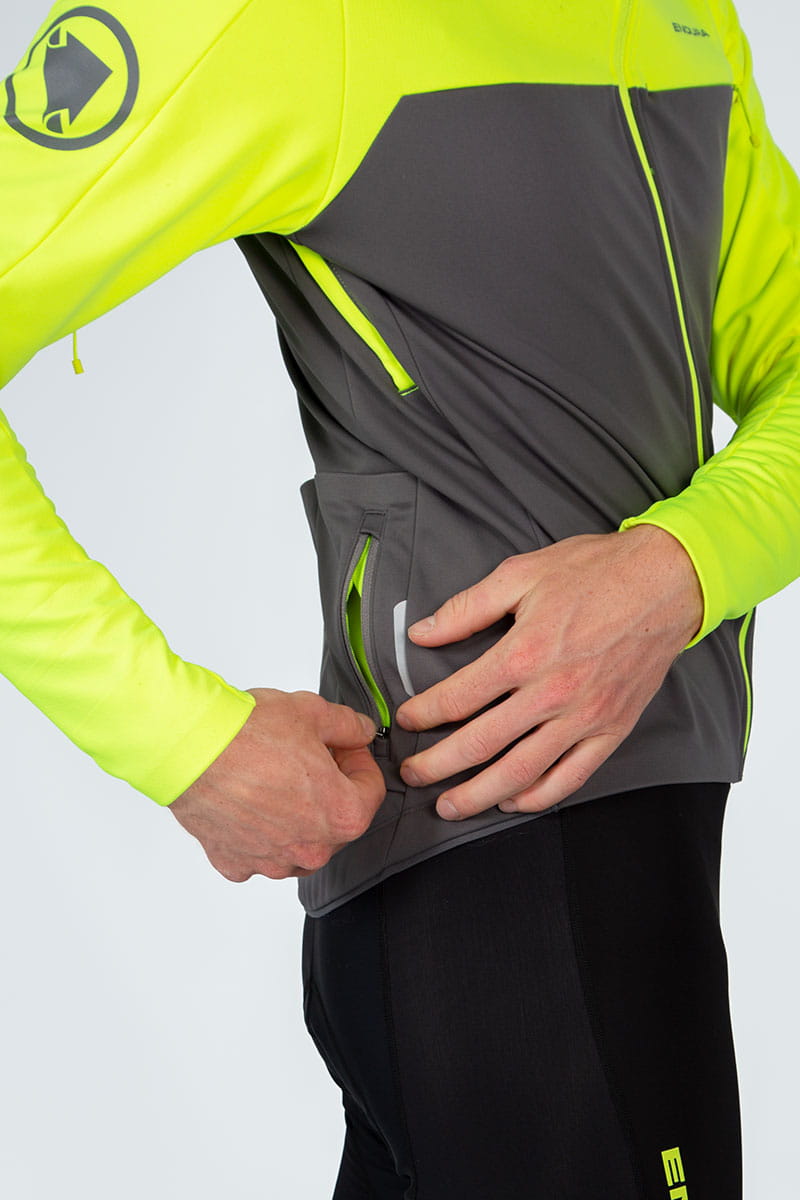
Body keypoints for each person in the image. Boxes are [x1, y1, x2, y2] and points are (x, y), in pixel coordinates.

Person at [2, 0, 799, 1195]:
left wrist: (676, 569)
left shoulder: (678, 16)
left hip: (643, 847)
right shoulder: (259, 19)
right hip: (489, 865)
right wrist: (180, 741)